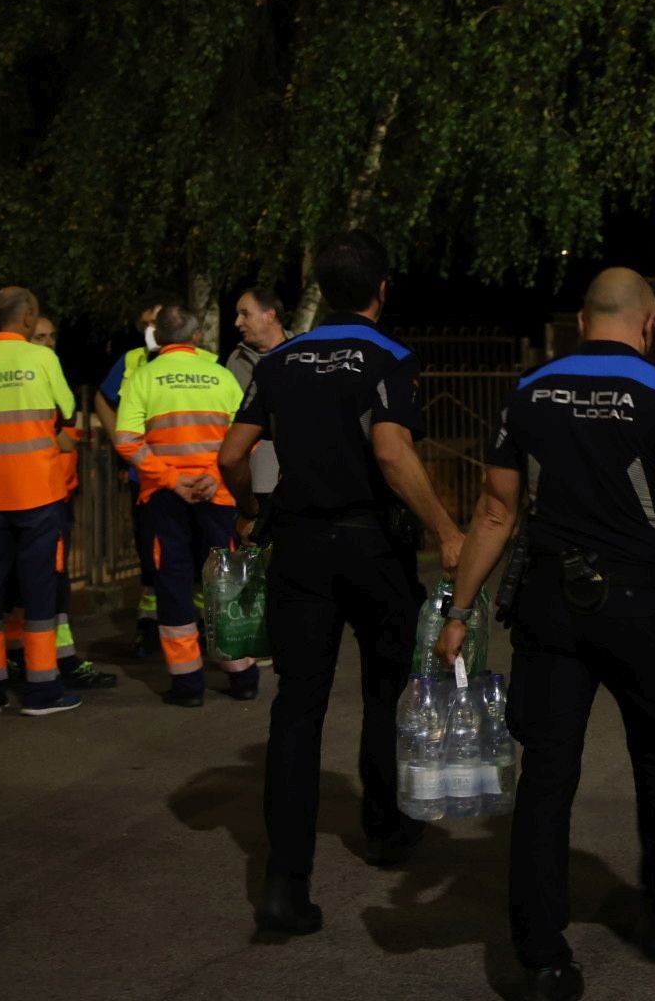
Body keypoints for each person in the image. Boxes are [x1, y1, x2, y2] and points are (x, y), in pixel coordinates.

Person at [435, 268, 655, 1001]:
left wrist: (459, 612)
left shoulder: (529, 391)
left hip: (550, 608)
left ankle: (542, 955)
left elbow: (495, 510)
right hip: (639, 610)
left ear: (582, 320)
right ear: (648, 324)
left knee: (548, 775)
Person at [218, 230, 464, 936]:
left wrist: (248, 510)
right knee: (387, 686)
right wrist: (447, 529)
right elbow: (392, 452)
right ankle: (386, 828)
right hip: (372, 546)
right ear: (381, 292)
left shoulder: (282, 358)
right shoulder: (387, 356)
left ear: (323, 292)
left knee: (298, 708)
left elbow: (233, 452)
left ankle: (283, 887)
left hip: (297, 546)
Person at [114, 302, 256, 706]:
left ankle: (188, 684)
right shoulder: (220, 375)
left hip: (163, 497)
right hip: (218, 494)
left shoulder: (143, 377)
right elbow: (247, 434)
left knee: (173, 583)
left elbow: (126, 441)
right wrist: (213, 474)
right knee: (224, 581)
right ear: (197, 337)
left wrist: (174, 479)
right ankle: (242, 676)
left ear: (157, 338)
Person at [0, 287, 81, 716]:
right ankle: (42, 691)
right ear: (28, 318)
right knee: (39, 590)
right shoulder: (42, 358)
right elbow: (66, 411)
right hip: (38, 494)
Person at [4, 316, 117, 690]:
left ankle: (42, 658)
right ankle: (43, 661)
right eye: (40, 337)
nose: (49, 343)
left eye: (52, 336)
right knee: (36, 585)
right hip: (36, 498)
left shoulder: (49, 377)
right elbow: (57, 439)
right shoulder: (26, 383)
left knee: (53, 584)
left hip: (57, 494)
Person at [94, 290, 182, 657]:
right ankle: (149, 624)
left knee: (186, 554)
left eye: (156, 322)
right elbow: (103, 398)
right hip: (144, 474)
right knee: (150, 554)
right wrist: (121, 443)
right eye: (145, 323)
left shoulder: (196, 360)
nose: (150, 329)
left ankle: (192, 624)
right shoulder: (132, 361)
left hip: (189, 473)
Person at [226, 287, 293, 524]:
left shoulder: (305, 352)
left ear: (269, 315)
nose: (237, 322)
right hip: (253, 482)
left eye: (245, 314)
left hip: (298, 481)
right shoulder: (236, 360)